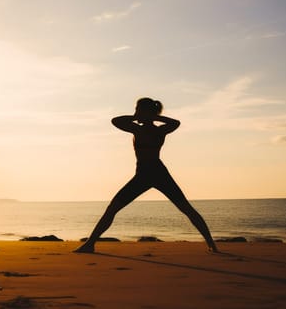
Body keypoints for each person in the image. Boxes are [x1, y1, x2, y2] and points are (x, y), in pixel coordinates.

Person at [75, 98, 218, 253]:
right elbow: (115, 121)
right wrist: (140, 116)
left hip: (158, 172)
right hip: (143, 174)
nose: (136, 112)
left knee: (186, 208)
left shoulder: (157, 130)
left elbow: (176, 123)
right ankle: (90, 244)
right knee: (113, 208)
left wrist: (153, 117)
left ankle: (211, 244)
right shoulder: (136, 128)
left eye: (138, 109)